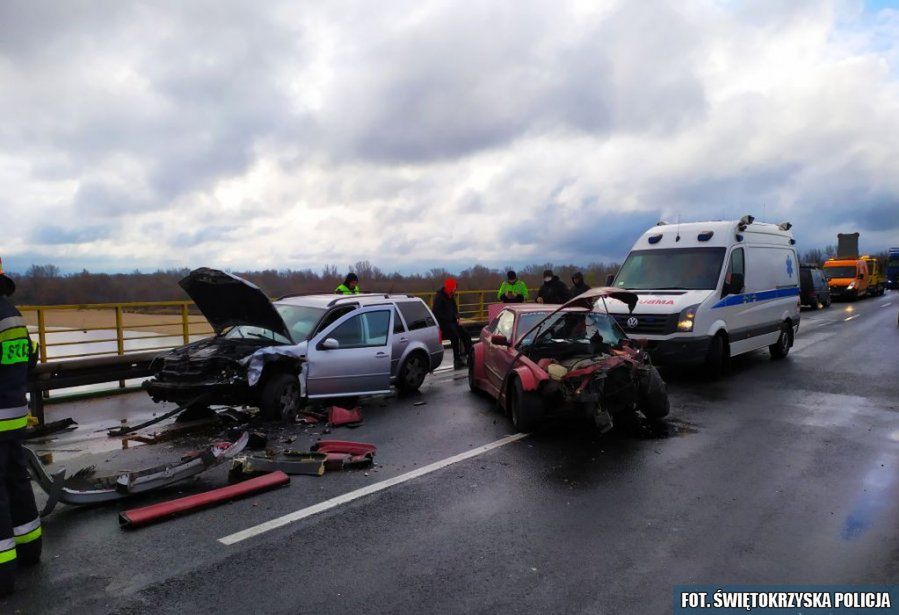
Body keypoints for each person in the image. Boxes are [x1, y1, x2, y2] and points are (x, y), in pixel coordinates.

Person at [0, 258, 42, 598]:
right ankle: (30, 551)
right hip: (14, 416)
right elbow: (28, 359)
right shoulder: (11, 314)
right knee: (16, 480)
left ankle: (2, 575)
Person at [432, 278, 472, 369]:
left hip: (452, 322)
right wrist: (449, 318)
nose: (455, 290)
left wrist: (457, 317)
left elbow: (455, 309)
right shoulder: (439, 297)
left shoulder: (451, 296)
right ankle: (457, 360)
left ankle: (470, 355)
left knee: (466, 333)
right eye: (454, 288)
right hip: (443, 324)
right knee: (455, 336)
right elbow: (436, 311)